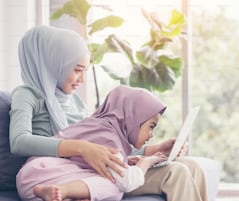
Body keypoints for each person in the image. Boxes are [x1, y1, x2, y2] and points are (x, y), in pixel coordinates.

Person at [9, 25, 208, 201]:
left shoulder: (75, 102)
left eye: (85, 70)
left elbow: (104, 148)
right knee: (176, 172)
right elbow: (19, 141)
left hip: (92, 169)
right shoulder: (28, 95)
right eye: (77, 70)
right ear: (53, 63)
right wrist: (82, 148)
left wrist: (154, 149)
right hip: (67, 173)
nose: (82, 79)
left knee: (192, 166)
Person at [17, 85, 168, 201]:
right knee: (117, 188)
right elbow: (128, 181)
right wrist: (147, 162)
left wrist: (127, 161)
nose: (151, 135)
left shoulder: (97, 126)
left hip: (29, 180)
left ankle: (64, 195)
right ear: (133, 118)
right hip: (45, 175)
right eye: (151, 126)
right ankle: (64, 190)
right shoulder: (109, 137)